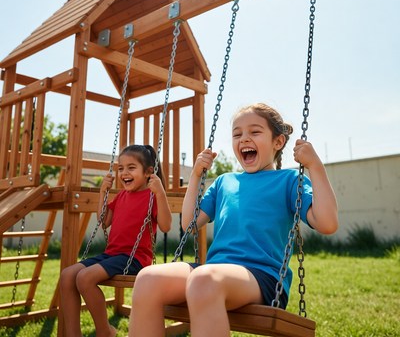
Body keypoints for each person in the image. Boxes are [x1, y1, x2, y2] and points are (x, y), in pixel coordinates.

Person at [128, 103, 338, 337]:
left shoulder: (288, 180)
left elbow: (327, 223)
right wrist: (196, 175)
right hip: (213, 273)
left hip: (261, 277)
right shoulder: (224, 182)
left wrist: (314, 165)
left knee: (204, 278)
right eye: (237, 134)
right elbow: (189, 225)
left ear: (278, 142)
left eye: (255, 132)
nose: (244, 139)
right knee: (147, 278)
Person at [60, 144, 172, 337]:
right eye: (120, 168)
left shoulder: (152, 196)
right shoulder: (121, 196)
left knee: (85, 278)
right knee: (67, 275)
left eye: (131, 167)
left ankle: (105, 332)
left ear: (148, 172)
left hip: (134, 258)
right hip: (111, 255)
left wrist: (161, 194)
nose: (124, 173)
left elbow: (166, 225)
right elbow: (104, 221)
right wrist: (103, 192)